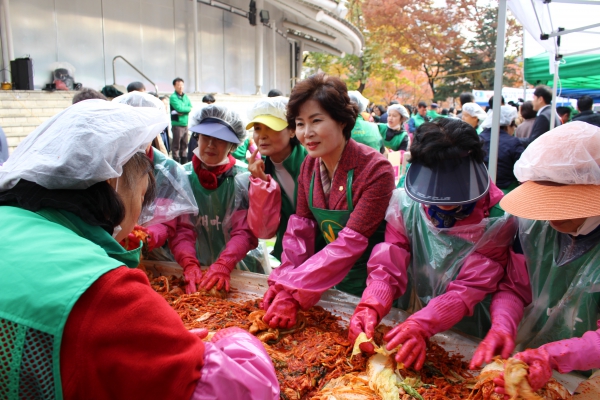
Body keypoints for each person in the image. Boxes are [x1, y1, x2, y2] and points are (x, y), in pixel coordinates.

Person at [0, 100, 279, 400]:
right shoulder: (109, 293)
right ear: (112, 179)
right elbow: (249, 391)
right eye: (144, 195)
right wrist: (234, 334)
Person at [348, 118, 531, 371]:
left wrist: (426, 323)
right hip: (414, 315)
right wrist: (371, 304)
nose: (443, 201)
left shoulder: (498, 216)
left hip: (471, 327)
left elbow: (470, 286)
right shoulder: (407, 200)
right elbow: (390, 259)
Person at [261, 73, 395, 329]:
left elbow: (348, 243)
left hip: (372, 287)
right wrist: (285, 281)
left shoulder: (376, 170)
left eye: (316, 121)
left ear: (343, 121)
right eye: (300, 124)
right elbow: (300, 232)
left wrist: (292, 287)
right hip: (322, 280)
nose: (306, 133)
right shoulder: (309, 166)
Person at [490, 122, 600, 395]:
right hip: (532, 361)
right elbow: (515, 286)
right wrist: (503, 323)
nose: (551, 216)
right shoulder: (532, 228)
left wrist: (555, 356)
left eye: (564, 205)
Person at [169, 104, 263, 295]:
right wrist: (188, 262)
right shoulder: (182, 176)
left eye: (220, 139)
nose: (211, 144)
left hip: (240, 269)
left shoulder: (243, 178)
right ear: (197, 138)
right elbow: (182, 228)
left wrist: (225, 263)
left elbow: (244, 231)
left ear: (233, 145)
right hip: (192, 271)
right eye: (206, 137)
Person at [112, 91, 198, 258]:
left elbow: (172, 217)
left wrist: (148, 236)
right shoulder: (107, 166)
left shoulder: (169, 171)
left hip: (156, 257)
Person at [246, 96, 309, 261]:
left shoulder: (311, 164)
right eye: (258, 128)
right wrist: (262, 184)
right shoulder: (263, 169)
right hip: (288, 254)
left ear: (292, 130)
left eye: (271, 128)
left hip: (321, 256)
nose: (262, 136)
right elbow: (264, 230)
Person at [479, 106, 524, 194]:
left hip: (479, 193)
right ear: (509, 124)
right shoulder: (513, 143)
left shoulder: (476, 140)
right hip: (506, 193)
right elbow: (522, 171)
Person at [188, 94, 218, 161]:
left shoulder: (215, 112)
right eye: (208, 103)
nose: (209, 105)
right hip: (198, 135)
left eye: (211, 103)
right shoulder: (198, 111)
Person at [170, 77, 193, 164]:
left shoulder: (185, 96)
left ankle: (184, 163)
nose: (180, 87)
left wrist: (183, 109)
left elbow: (190, 107)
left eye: (182, 85)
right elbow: (179, 108)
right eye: (178, 85)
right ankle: (175, 163)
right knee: (176, 145)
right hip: (177, 124)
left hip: (185, 123)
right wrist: (183, 109)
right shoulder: (173, 97)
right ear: (174, 86)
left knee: (185, 144)